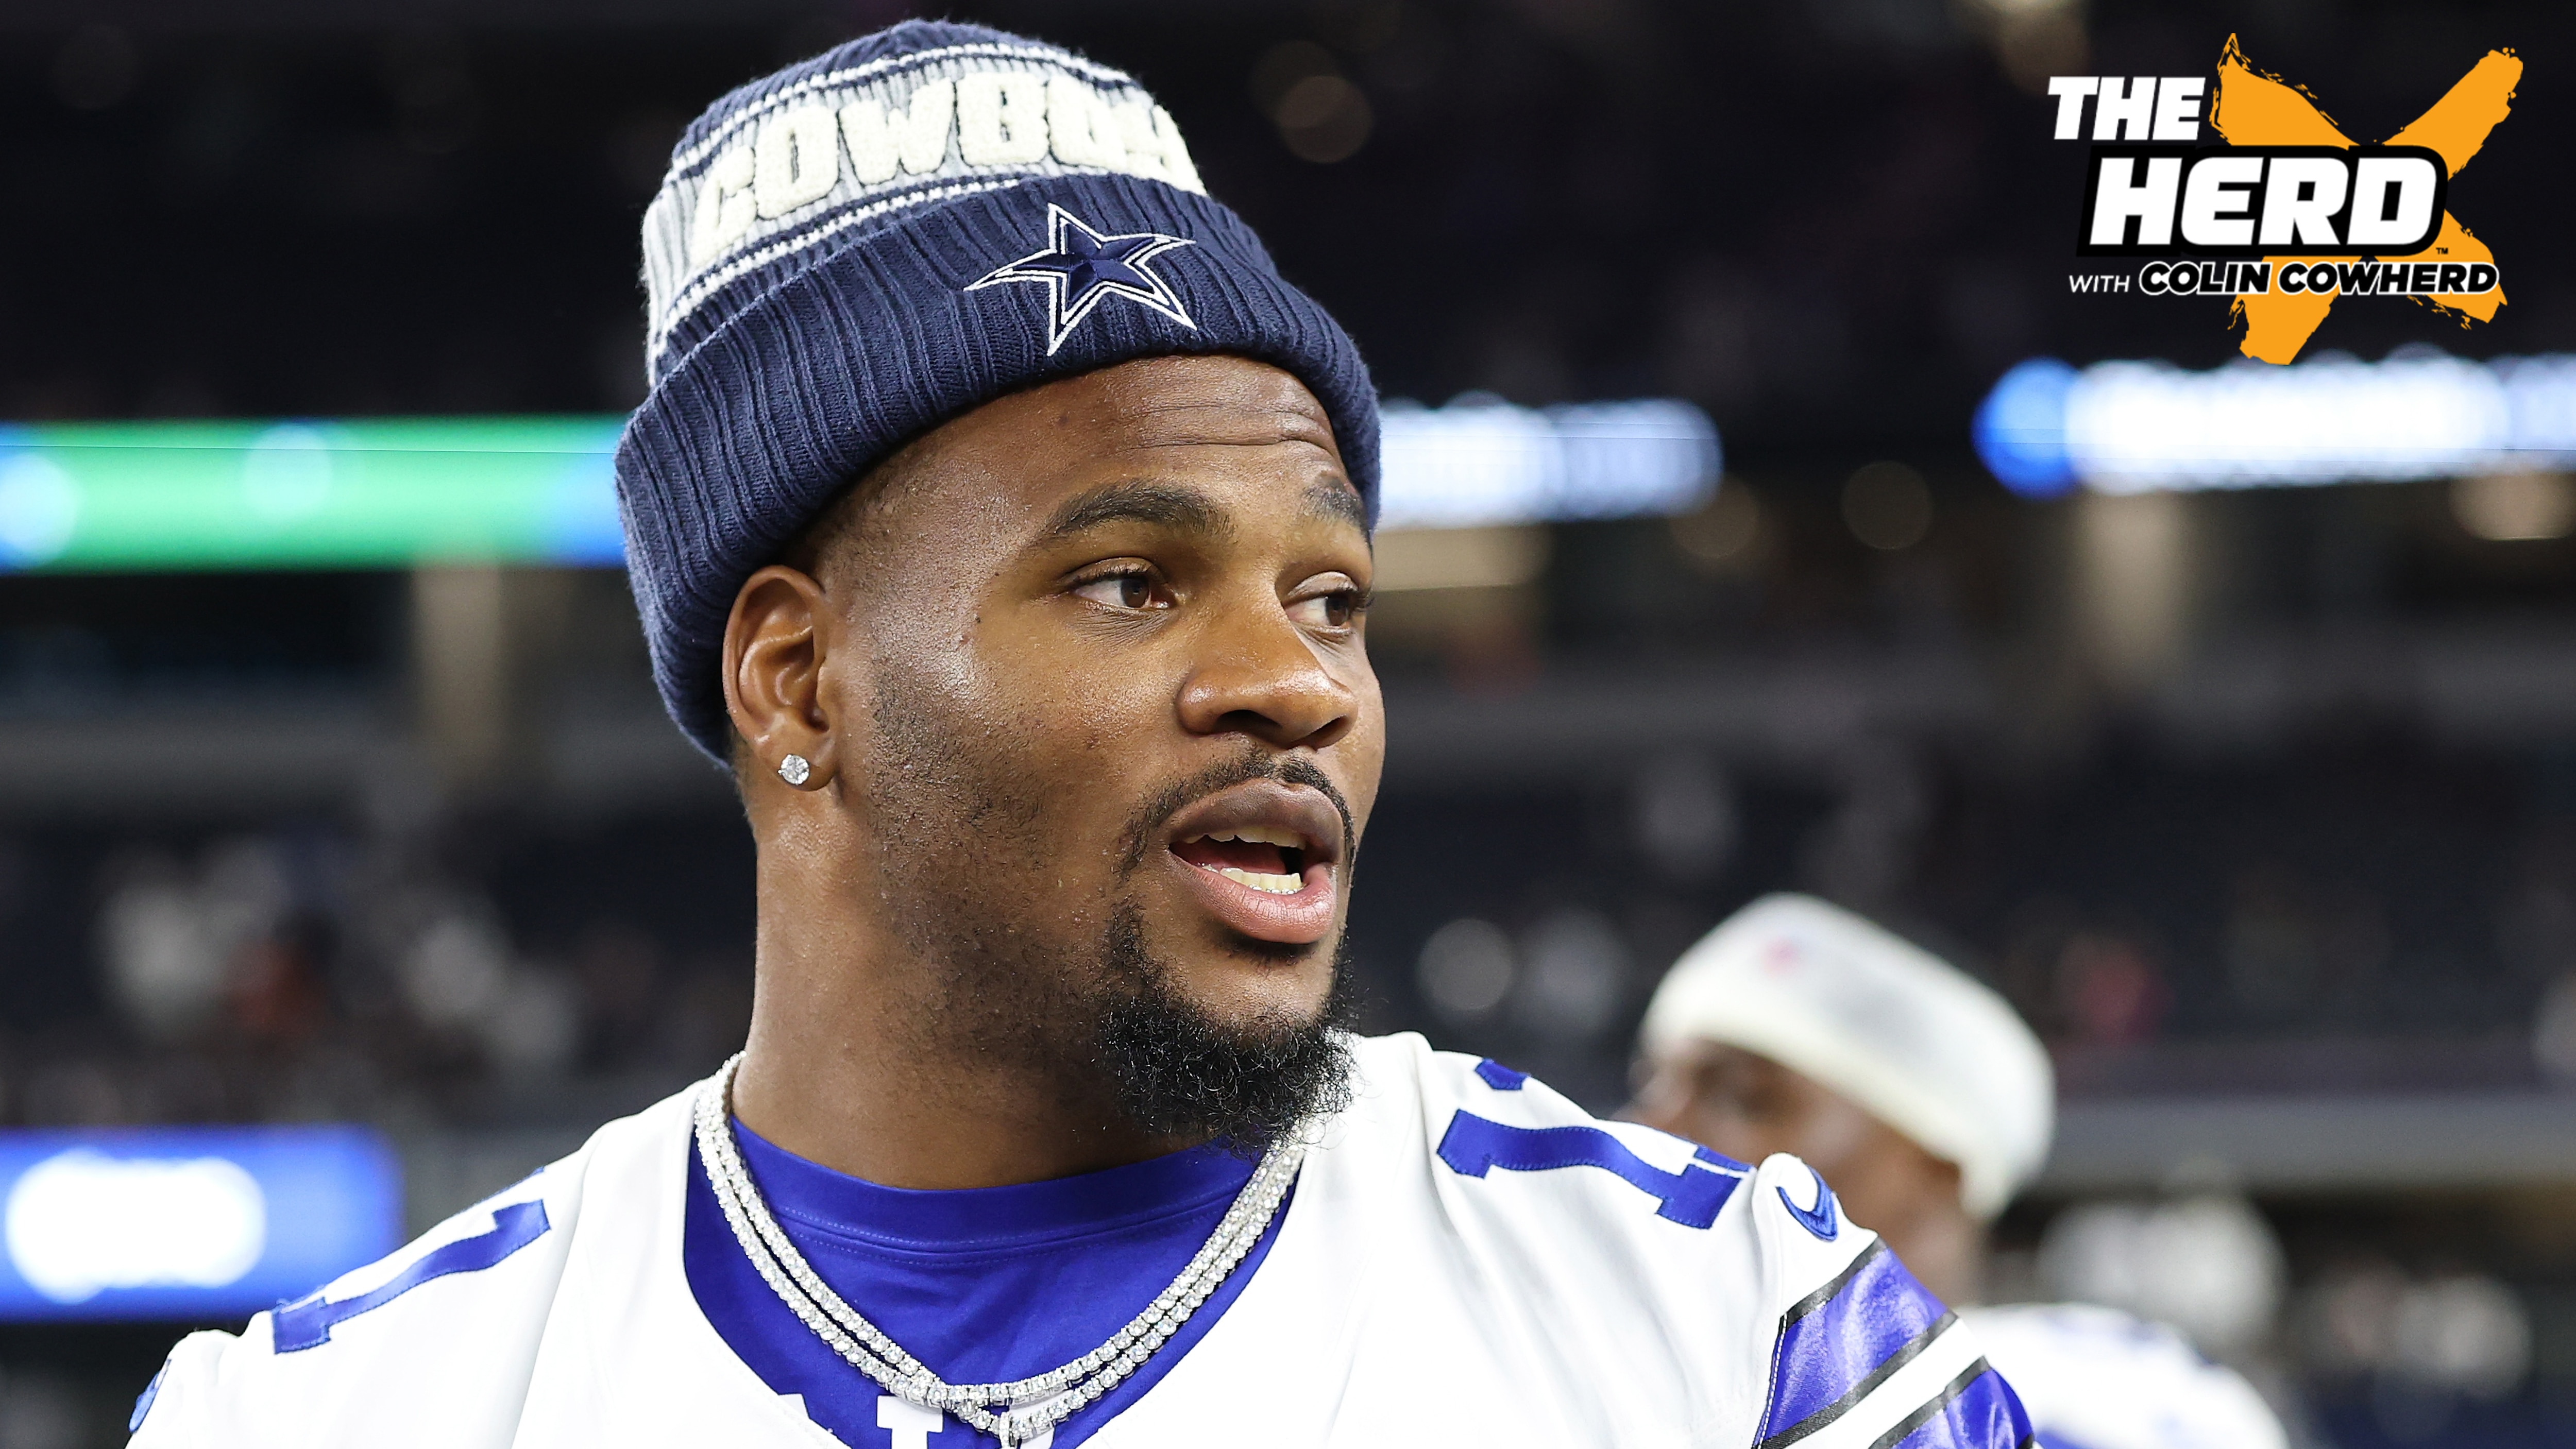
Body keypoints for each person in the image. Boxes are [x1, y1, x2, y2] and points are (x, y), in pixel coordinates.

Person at [128, 24, 2034, 1449]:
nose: (1295, 682)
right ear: (796, 679)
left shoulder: (1726, 1329)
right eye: (1132, 580)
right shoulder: (340, 1412)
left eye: (1330, 596)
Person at [1629, 893, 2291, 1449]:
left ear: (1935, 1169)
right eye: (1650, 1086)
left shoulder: (2086, 1395)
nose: (1649, 1125)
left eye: (1743, 1098)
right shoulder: (1634, 1365)